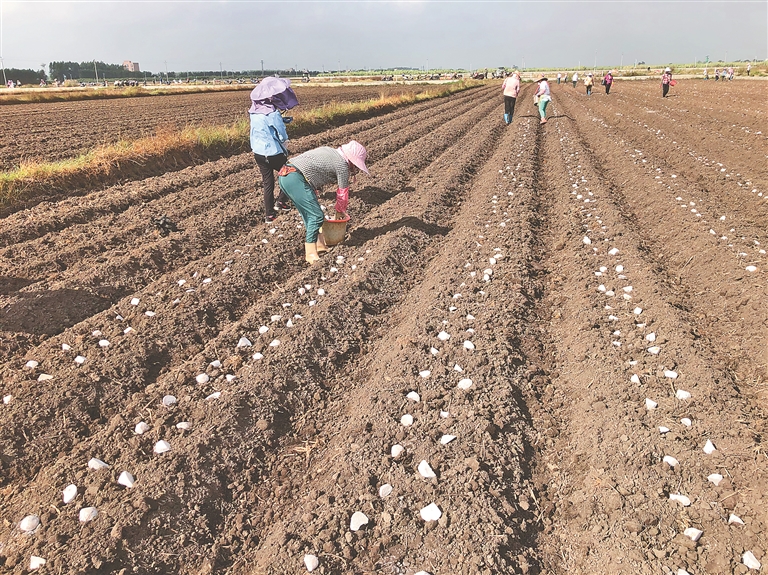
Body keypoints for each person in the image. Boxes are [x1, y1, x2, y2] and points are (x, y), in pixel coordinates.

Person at [278, 141, 370, 264]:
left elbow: (313, 170)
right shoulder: (342, 165)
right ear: (351, 160)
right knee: (316, 216)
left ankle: (320, 245)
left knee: (309, 214)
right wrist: (340, 211)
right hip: (296, 178)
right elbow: (342, 192)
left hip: (285, 176)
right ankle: (310, 253)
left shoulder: (330, 151)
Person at [249, 77, 298, 222]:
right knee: (290, 175)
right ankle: (281, 201)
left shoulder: (253, 112)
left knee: (268, 183)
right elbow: (281, 133)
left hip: (258, 153)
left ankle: (269, 215)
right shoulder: (273, 113)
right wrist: (285, 141)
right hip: (274, 153)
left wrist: (281, 120)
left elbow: (263, 126)